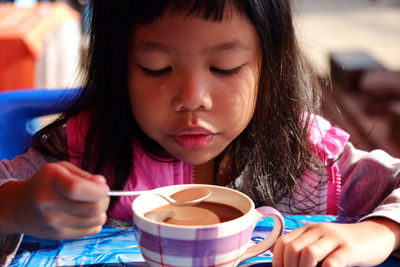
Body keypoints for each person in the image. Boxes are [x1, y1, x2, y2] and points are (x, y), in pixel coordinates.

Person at [0, 1, 399, 266]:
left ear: (268, 68)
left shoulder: (307, 156)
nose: (193, 100)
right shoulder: (84, 150)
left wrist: (377, 233)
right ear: (117, 70)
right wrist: (15, 206)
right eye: (155, 68)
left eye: (225, 67)